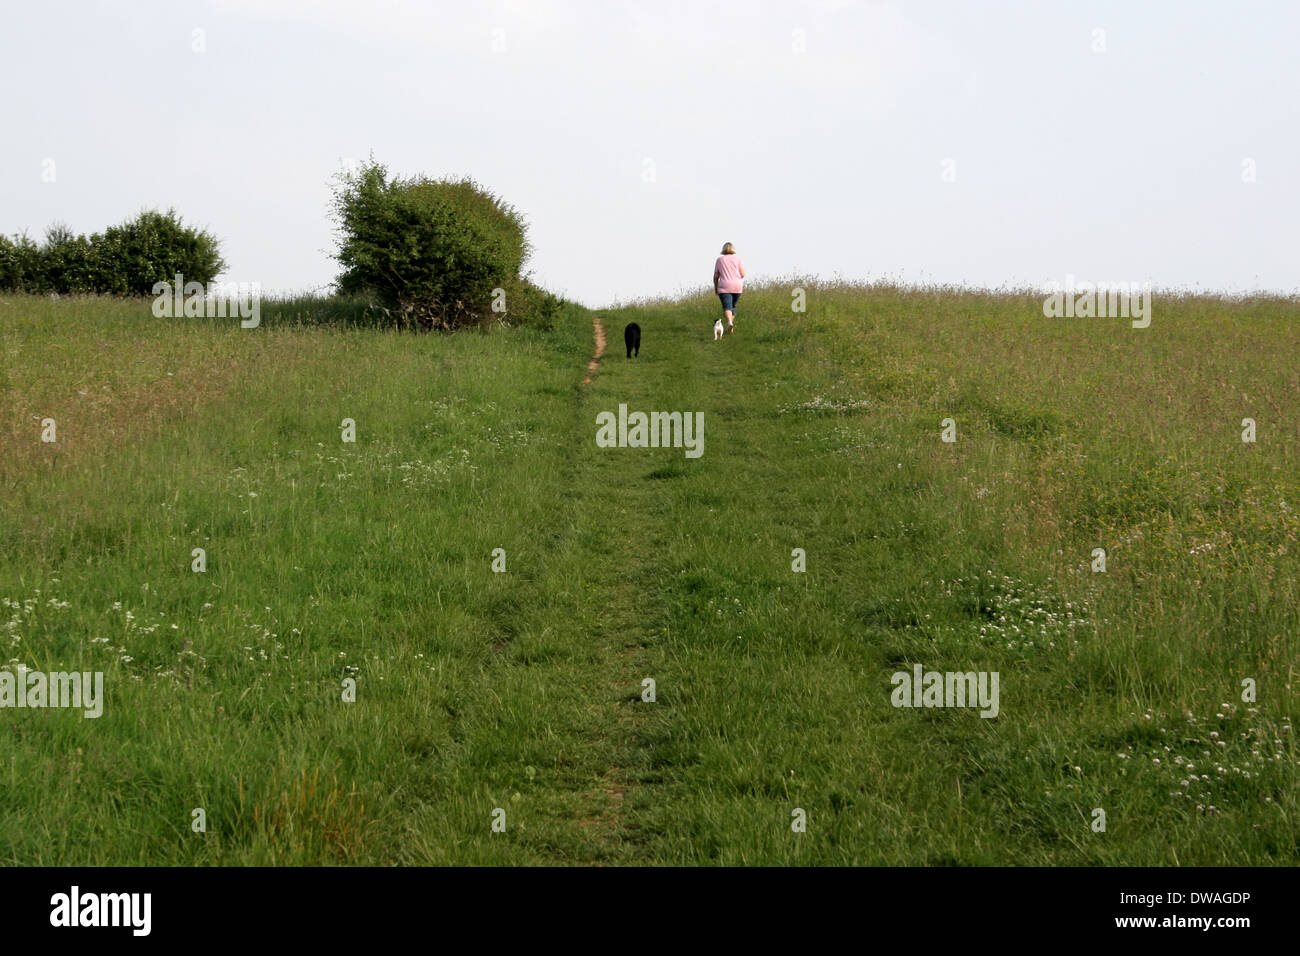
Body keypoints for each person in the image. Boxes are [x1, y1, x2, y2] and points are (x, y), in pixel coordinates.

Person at [713, 242, 745, 334]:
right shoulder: (738, 259)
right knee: (733, 307)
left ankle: (729, 322)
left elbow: (716, 276)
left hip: (725, 287)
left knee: (727, 307)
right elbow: (743, 274)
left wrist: (716, 288)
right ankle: (730, 326)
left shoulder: (720, 260)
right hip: (737, 286)